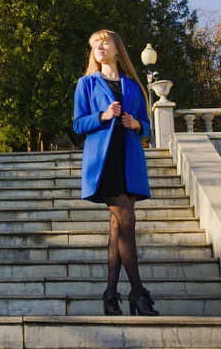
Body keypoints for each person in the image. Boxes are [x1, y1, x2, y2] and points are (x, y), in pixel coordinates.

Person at [73, 29, 159, 317]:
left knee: (117, 228)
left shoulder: (134, 85)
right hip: (103, 161)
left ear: (117, 49)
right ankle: (138, 292)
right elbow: (78, 124)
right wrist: (103, 116)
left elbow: (147, 126)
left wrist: (136, 125)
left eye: (104, 41)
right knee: (127, 219)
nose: (99, 46)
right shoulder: (86, 83)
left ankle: (110, 296)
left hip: (129, 159)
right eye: (94, 43)